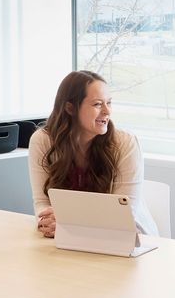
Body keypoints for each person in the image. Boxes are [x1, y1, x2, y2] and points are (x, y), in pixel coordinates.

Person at [27, 69, 157, 238]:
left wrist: (68, 222)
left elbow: (124, 214)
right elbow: (42, 203)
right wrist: (50, 224)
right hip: (69, 237)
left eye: (108, 103)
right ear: (70, 108)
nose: (107, 111)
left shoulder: (125, 143)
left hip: (127, 239)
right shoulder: (43, 140)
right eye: (97, 104)